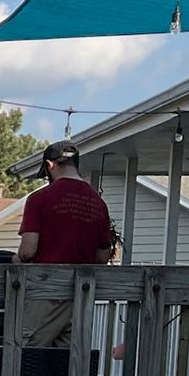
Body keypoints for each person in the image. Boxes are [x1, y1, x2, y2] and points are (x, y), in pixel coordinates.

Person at [15, 140, 117, 347]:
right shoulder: (98, 204)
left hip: (45, 290)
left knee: (24, 352)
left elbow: (27, 251)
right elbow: (101, 258)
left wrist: (16, 259)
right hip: (81, 295)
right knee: (67, 362)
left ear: (50, 165)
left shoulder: (39, 199)